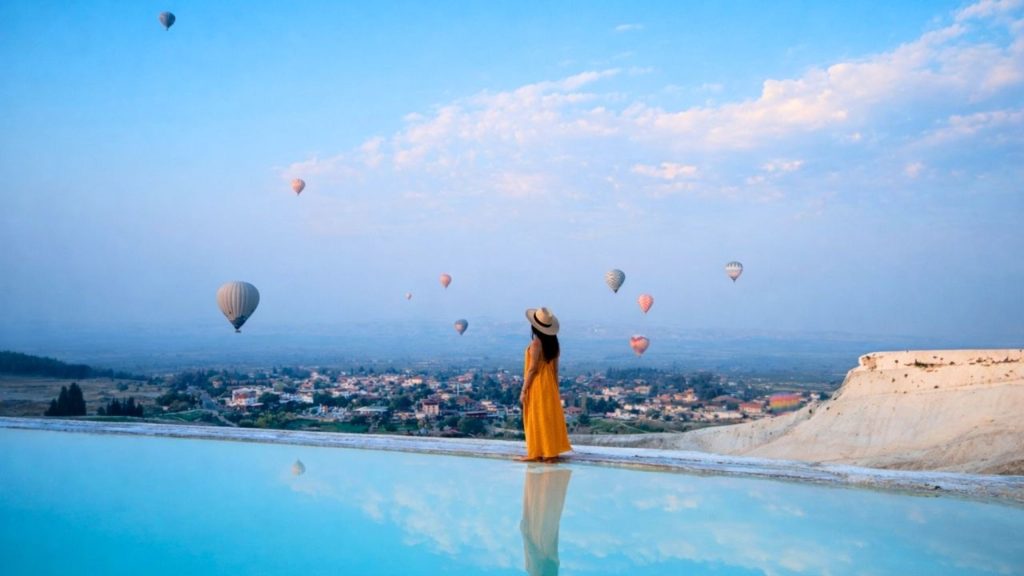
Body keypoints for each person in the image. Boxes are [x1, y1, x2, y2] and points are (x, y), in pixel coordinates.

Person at [521, 307, 572, 462]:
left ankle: (537, 452)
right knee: (548, 417)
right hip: (549, 384)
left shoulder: (536, 344)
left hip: (537, 384)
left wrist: (523, 390)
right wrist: (555, 389)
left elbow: (532, 369)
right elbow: (555, 370)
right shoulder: (555, 344)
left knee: (536, 416)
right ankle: (550, 453)